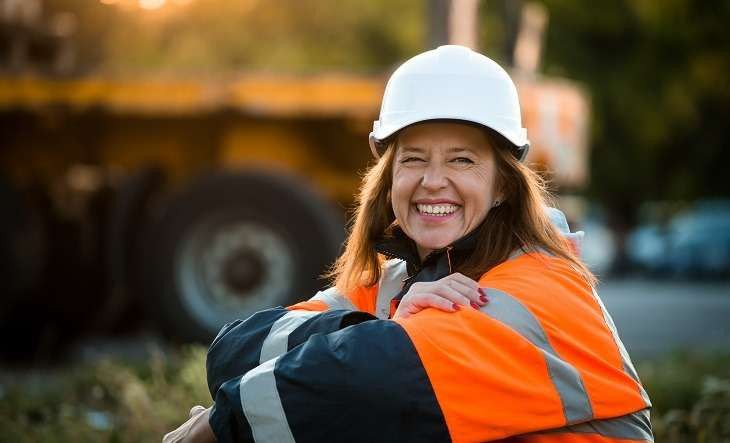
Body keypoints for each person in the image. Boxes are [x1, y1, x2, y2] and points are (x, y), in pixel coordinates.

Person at [164, 45, 652, 443]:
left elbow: (360, 384)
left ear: (503, 184)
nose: (433, 181)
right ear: (389, 177)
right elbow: (233, 347)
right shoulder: (398, 283)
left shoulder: (540, 288)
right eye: (414, 159)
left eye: (462, 160)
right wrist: (372, 326)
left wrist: (216, 425)